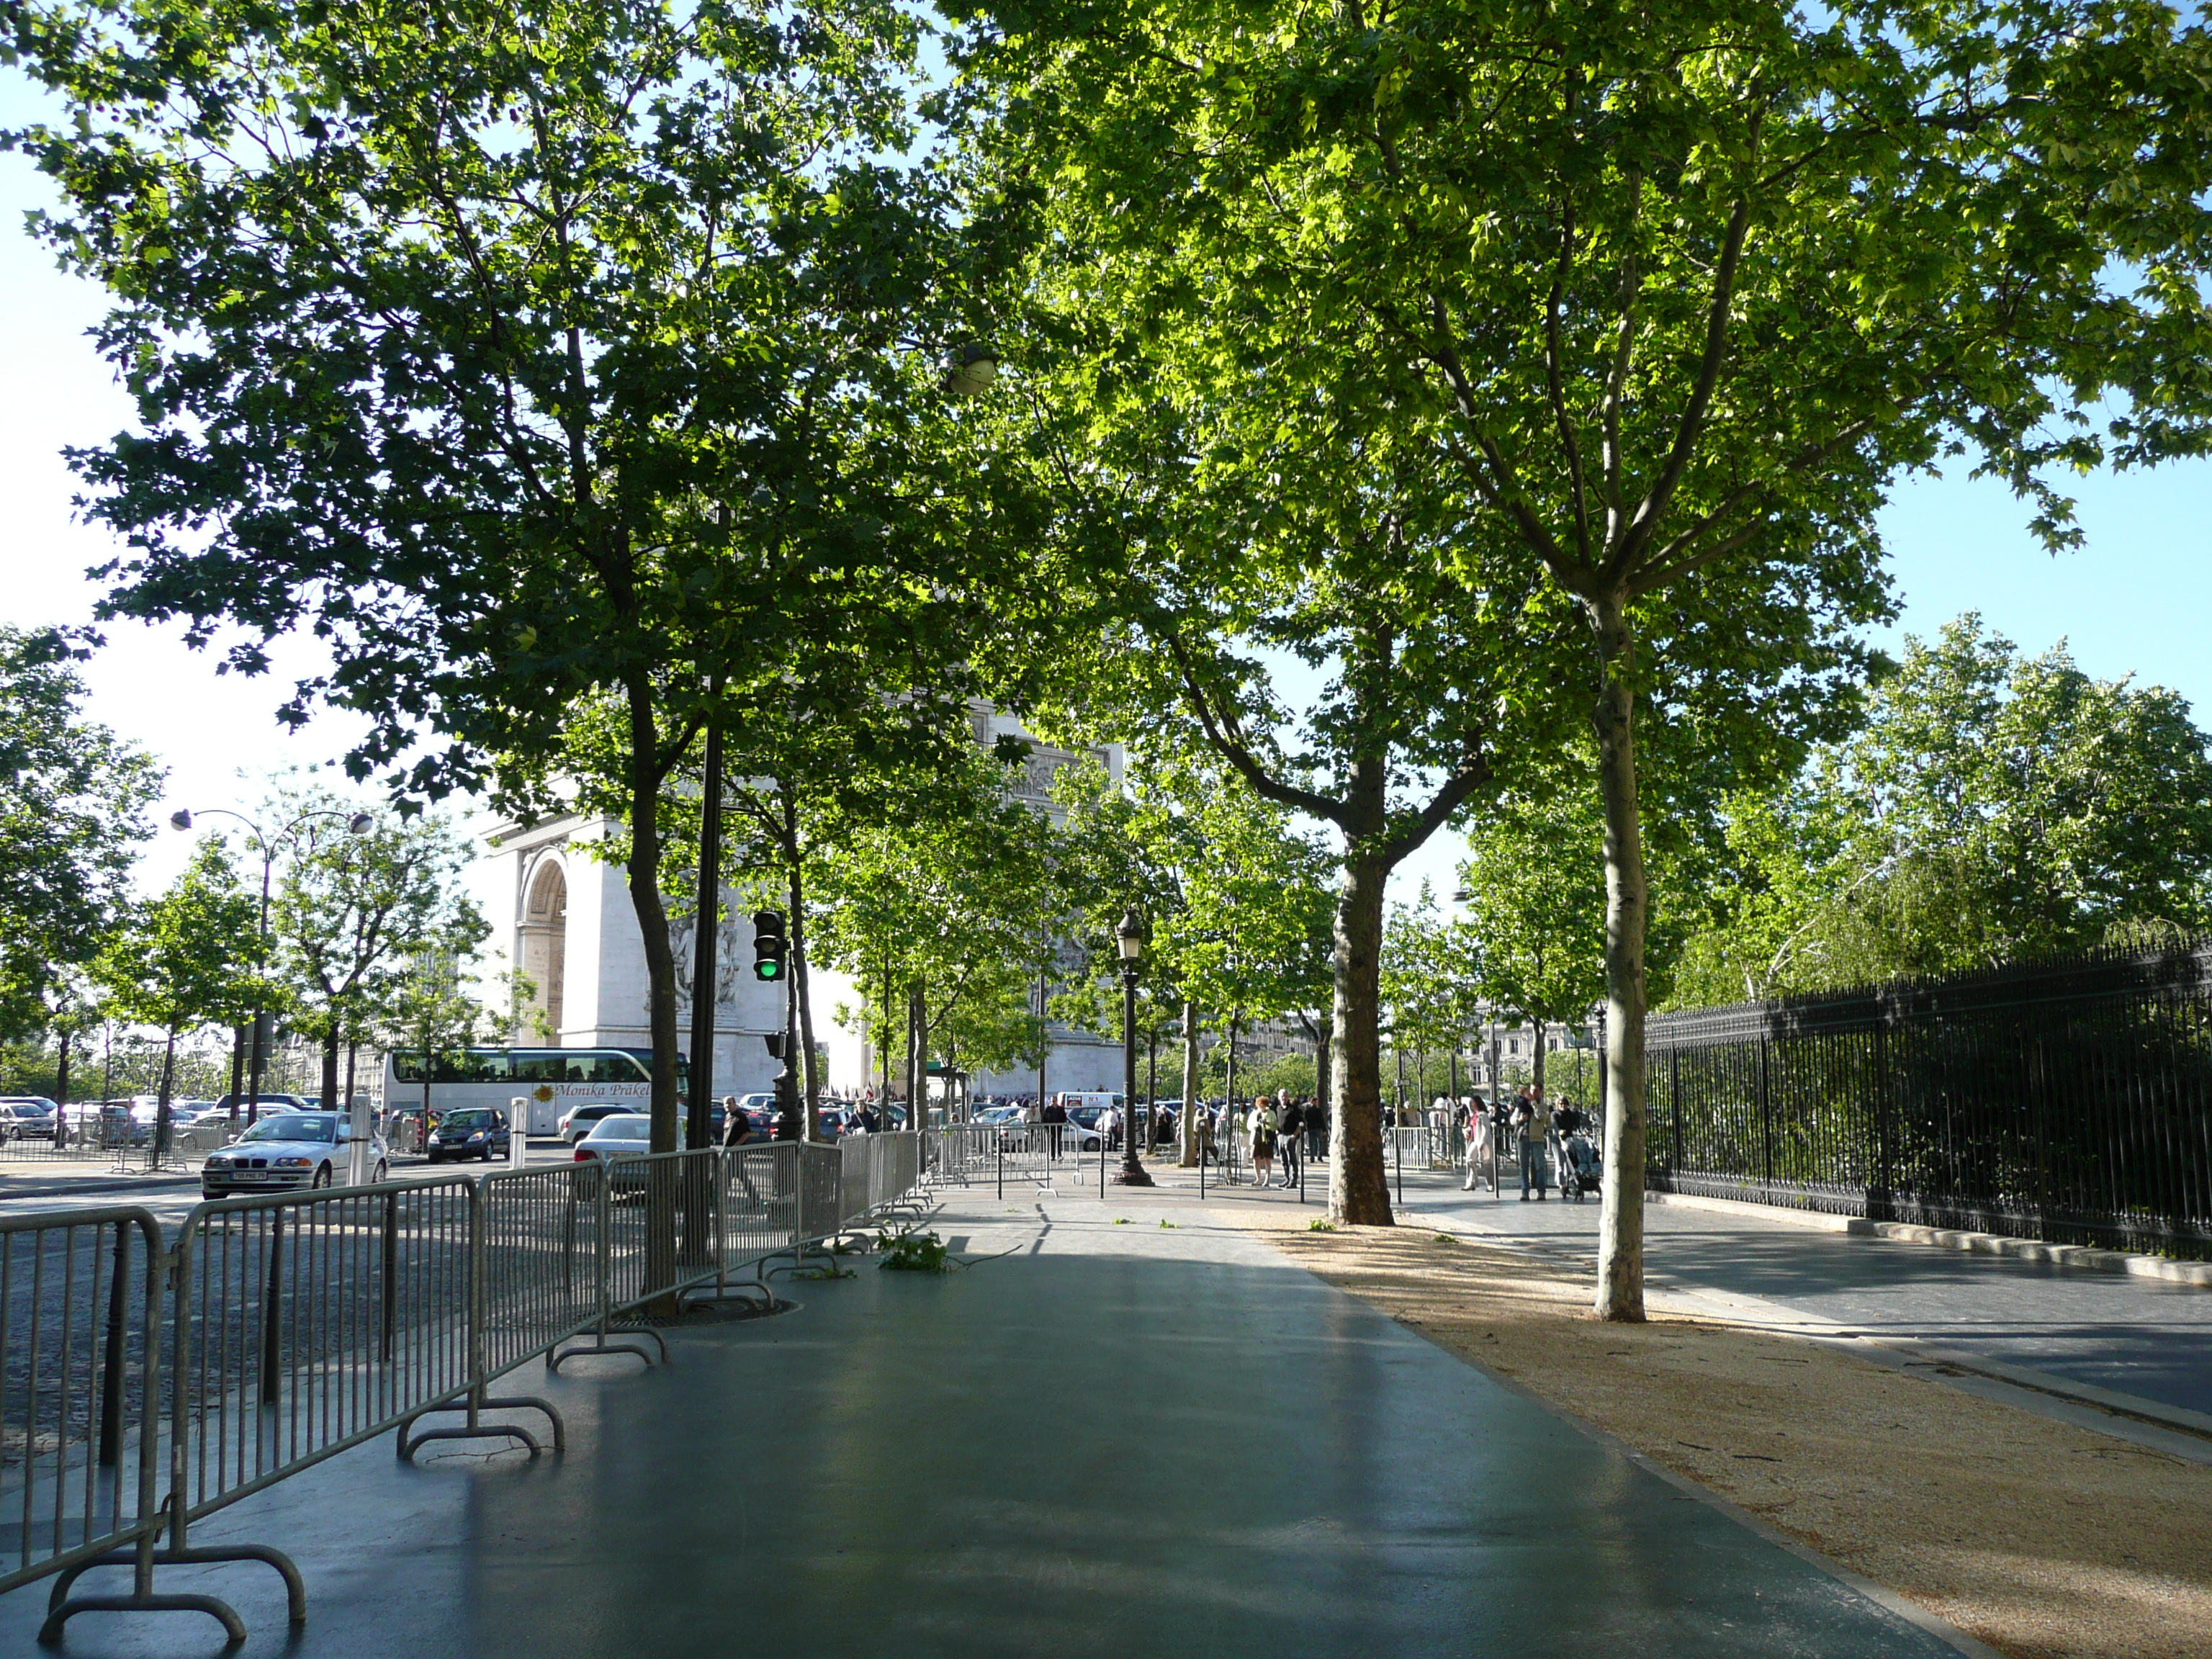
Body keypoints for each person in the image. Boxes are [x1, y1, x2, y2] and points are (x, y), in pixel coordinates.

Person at [1514, 1083, 1548, 1200]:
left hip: (1537, 1138)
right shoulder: (1522, 1104)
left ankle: (1541, 1192)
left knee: (1539, 1166)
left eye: (1536, 1091)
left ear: (1540, 1092)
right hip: (1523, 1137)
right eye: (1532, 1090)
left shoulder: (1543, 1105)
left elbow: (1540, 1117)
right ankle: (1525, 1192)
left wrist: (1534, 1103)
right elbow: (1512, 1119)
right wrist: (1519, 1120)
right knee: (1524, 1166)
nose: (1533, 1093)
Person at [1277, 1095, 1305, 1188]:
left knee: (1291, 1159)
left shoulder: (1293, 1109)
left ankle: (1293, 1181)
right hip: (1281, 1135)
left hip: (1290, 1136)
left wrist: (1295, 1135)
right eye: (1282, 1097)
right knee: (1283, 1159)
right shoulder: (1278, 1108)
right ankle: (1287, 1178)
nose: (1284, 1099)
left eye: (1285, 1097)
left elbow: (1301, 1123)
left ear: (1288, 1097)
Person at [1251, 1095, 1277, 1187]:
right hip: (1257, 1136)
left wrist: (1267, 1123)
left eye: (1263, 1105)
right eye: (1260, 1105)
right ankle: (1258, 1178)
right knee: (1256, 1158)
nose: (1261, 1107)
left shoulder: (1271, 1113)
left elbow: (1275, 1125)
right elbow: (1249, 1125)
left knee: (1267, 1158)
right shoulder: (1255, 1113)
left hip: (1267, 1137)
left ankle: (1267, 1179)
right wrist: (1256, 1124)